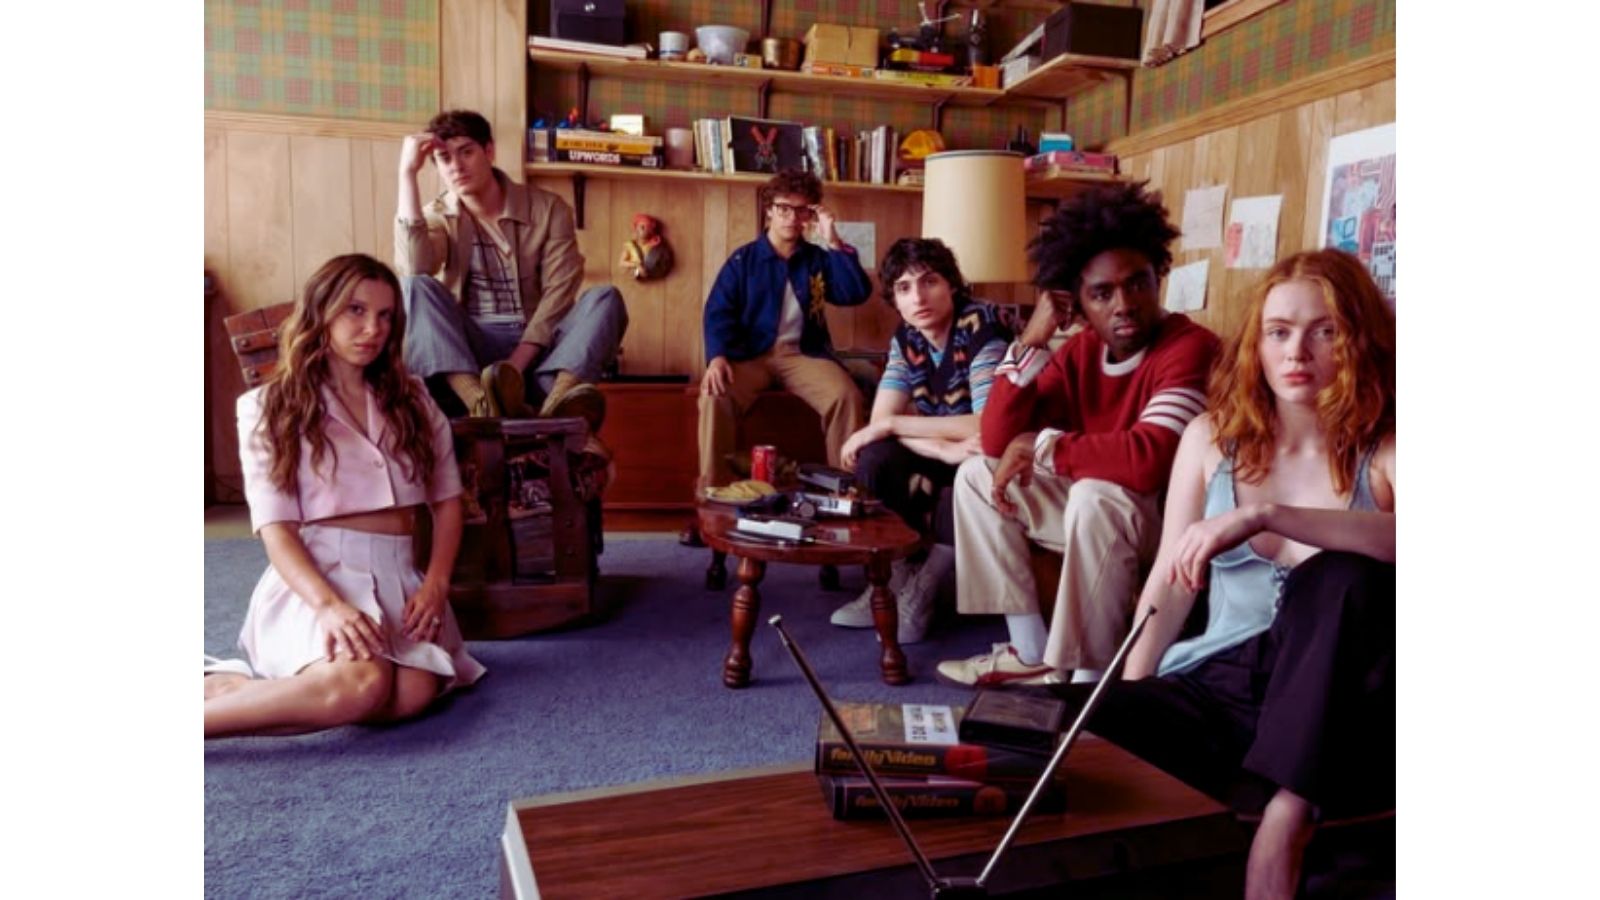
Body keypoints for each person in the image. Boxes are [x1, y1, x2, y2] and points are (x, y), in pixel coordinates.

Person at [1040, 248, 1396, 900]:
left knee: (1341, 576)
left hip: (1343, 705)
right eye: (1279, 332)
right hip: (1218, 686)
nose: (1297, 353)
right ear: (1256, 344)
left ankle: (1287, 817)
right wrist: (1135, 692)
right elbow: (1170, 585)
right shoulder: (1210, 438)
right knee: (1033, 725)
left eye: (1325, 331)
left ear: (1358, 340)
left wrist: (1267, 515)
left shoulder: (1390, 446)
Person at [935, 182, 1220, 688]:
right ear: (1077, 303)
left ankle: (1088, 680)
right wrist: (1034, 335)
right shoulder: (1079, 351)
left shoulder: (1189, 347)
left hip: (1167, 522)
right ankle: (1030, 654)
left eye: (1138, 284)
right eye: (1102, 293)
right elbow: (998, 440)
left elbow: (1150, 460)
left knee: (1095, 495)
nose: (1124, 304)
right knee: (977, 474)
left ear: (1158, 278)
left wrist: (1044, 447)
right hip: (1098, 511)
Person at [204, 254, 486, 738]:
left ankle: (231, 688)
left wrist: (437, 584)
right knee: (363, 684)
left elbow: (446, 502)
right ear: (322, 311)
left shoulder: (414, 399)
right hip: (317, 580)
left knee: (413, 692)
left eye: (384, 315)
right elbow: (276, 530)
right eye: (355, 310)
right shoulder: (267, 406)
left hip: (403, 582)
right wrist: (328, 606)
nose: (372, 329)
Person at [394, 109, 627, 431]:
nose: (456, 166)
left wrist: (515, 367)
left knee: (606, 298)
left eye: (466, 152)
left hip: (541, 352)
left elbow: (559, 293)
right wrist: (407, 174)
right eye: (444, 158)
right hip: (471, 356)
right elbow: (414, 268)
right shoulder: (436, 216)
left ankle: (554, 410)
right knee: (416, 286)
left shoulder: (549, 208)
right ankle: (479, 402)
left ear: (489, 151)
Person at [830, 238, 1011, 643]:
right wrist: (940, 447)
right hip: (951, 445)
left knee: (969, 467)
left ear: (952, 284)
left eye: (929, 281)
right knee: (875, 455)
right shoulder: (907, 337)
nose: (918, 297)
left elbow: (988, 426)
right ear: (894, 299)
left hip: (1000, 451)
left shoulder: (983, 326)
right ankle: (893, 577)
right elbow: (882, 422)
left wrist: (897, 426)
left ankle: (925, 589)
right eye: (904, 288)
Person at [695, 169, 872, 491]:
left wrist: (833, 240)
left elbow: (855, 293)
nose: (792, 218)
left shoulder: (817, 258)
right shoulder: (744, 260)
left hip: (802, 354)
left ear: (810, 215)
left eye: (802, 210)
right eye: (784, 208)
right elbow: (718, 312)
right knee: (714, 395)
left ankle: (845, 490)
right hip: (750, 356)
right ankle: (715, 490)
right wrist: (717, 357)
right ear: (769, 210)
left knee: (846, 396)